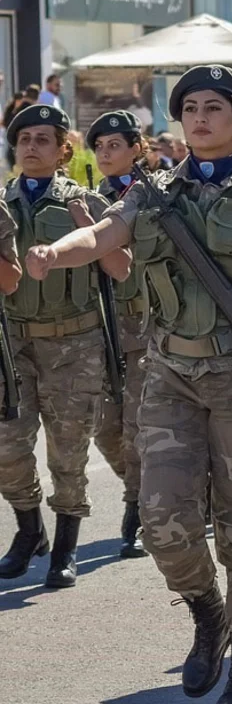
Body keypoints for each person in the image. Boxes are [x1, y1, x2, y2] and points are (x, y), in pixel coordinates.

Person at [24, 65, 232, 704]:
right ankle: (206, 611)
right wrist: (58, 252)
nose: (200, 116)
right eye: (190, 106)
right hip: (172, 375)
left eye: (214, 106)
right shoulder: (154, 192)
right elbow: (107, 232)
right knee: (163, 519)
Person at [0, 104, 130, 590]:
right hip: (13, 340)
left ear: (62, 151)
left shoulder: (87, 202)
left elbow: (121, 270)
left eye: (42, 139)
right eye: (24, 139)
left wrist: (88, 227)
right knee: (8, 448)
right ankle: (30, 529)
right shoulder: (1, 202)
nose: (31, 147)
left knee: (68, 449)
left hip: (74, 343)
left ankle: (66, 546)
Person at [86, 109, 153, 559]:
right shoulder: (89, 200)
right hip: (104, 327)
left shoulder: (157, 195)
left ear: (136, 149)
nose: (107, 153)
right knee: (105, 427)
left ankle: (137, 508)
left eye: (115, 145)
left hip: (149, 326)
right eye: (100, 147)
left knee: (138, 427)